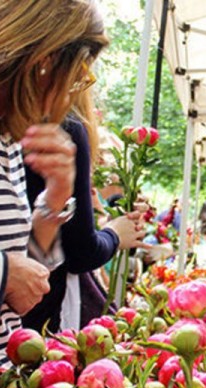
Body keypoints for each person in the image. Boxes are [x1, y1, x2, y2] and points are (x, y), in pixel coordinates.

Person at [0, 0, 110, 373]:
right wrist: (4, 271)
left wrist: (55, 200)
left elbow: (23, 287)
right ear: (46, 61)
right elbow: (11, 273)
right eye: (77, 77)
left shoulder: (5, 135)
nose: (73, 93)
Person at [23, 111, 147, 332]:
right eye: (104, 156)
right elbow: (81, 252)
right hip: (39, 317)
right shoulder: (67, 127)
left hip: (29, 312)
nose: (105, 163)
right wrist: (115, 235)